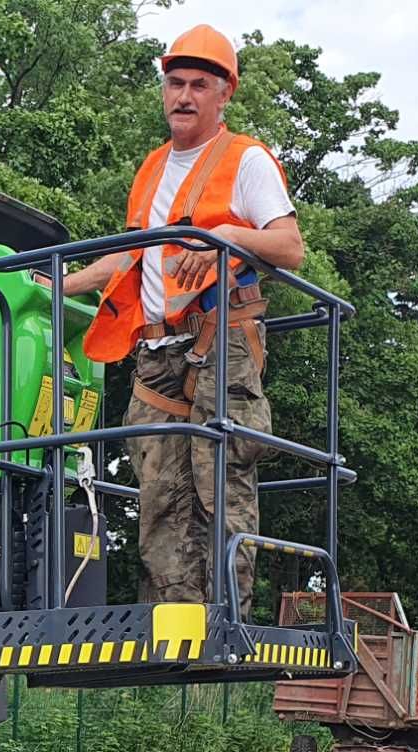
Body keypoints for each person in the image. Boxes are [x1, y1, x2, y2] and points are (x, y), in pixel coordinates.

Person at [63, 25, 303, 610]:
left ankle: (227, 617)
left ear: (225, 95)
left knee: (219, 476)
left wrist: (222, 236)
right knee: (158, 487)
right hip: (155, 352)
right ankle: (171, 618)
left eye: (200, 84)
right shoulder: (151, 169)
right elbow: (131, 254)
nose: (185, 95)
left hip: (222, 341)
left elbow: (289, 246)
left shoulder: (245, 160)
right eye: (176, 83)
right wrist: (58, 284)